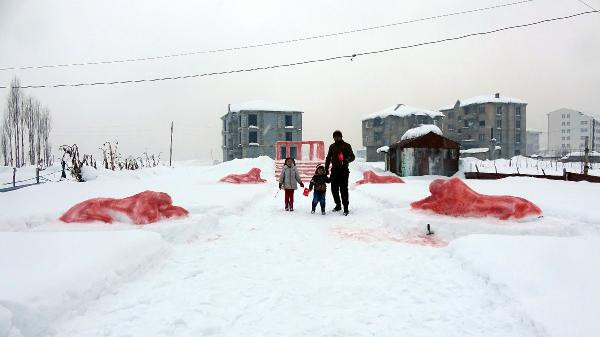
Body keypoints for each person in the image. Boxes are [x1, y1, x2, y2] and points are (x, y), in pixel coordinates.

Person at [325, 130, 355, 215]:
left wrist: (347, 159)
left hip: (344, 171)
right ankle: (338, 205)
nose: (336, 138)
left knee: (343, 189)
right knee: (334, 189)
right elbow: (328, 158)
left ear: (341, 137)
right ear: (333, 137)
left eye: (338, 136)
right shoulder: (332, 147)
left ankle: (346, 207)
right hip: (334, 170)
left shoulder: (347, 146)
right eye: (335, 136)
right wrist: (326, 169)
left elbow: (352, 156)